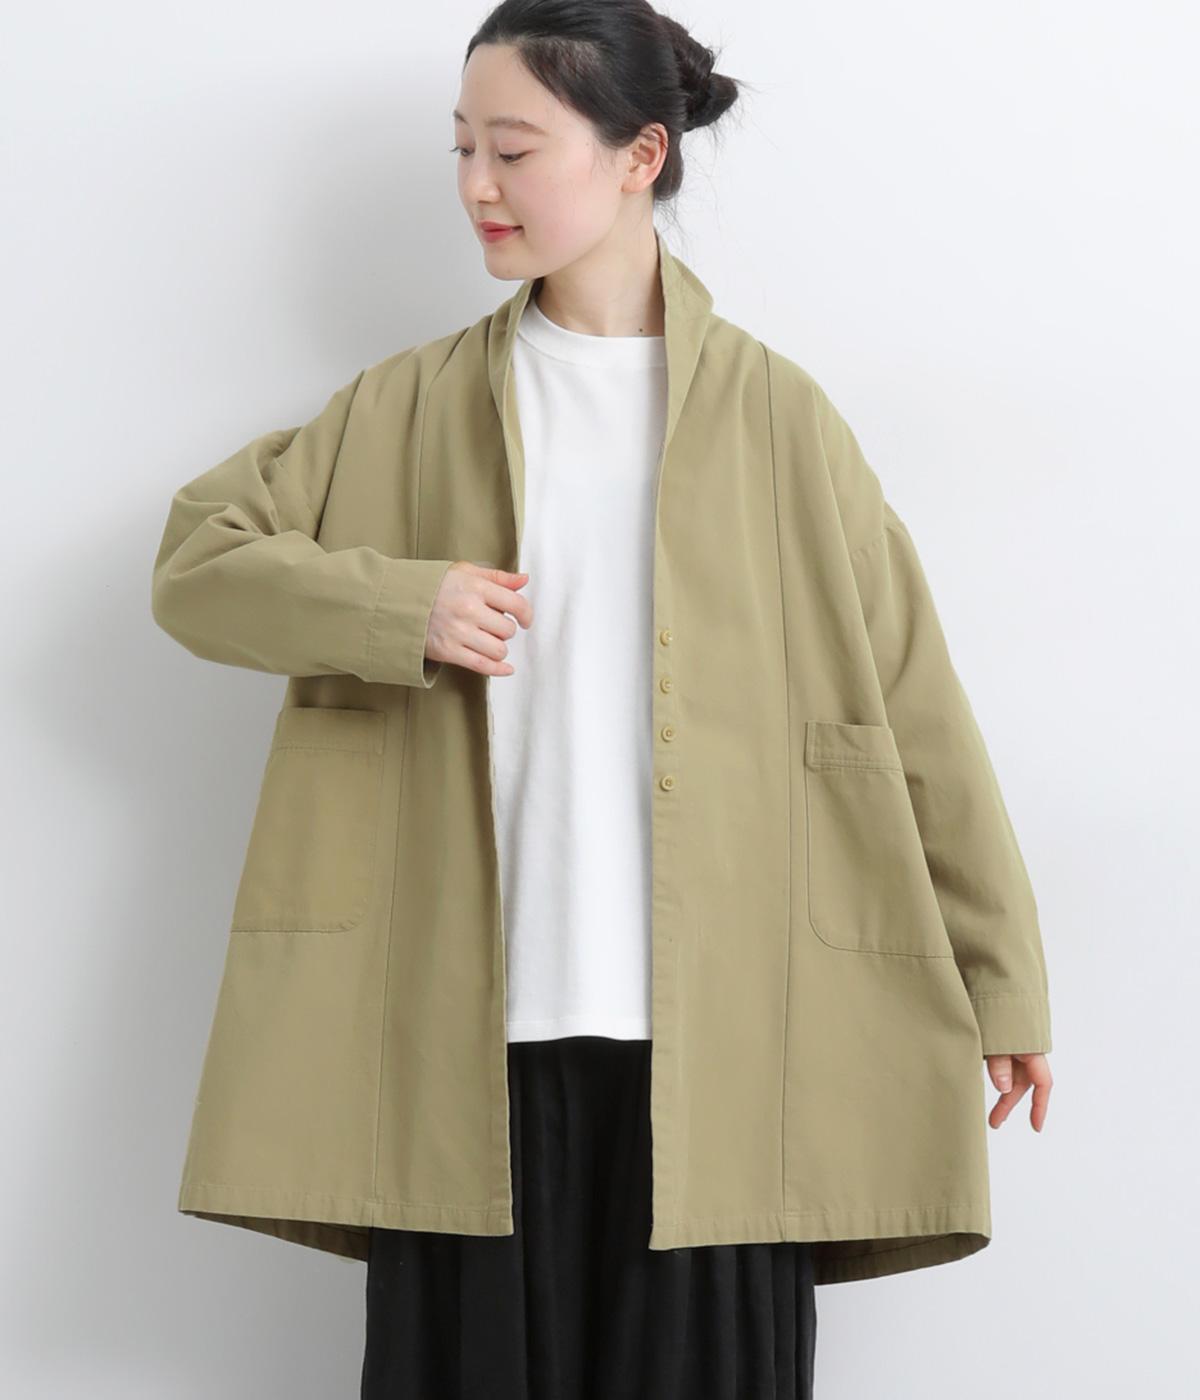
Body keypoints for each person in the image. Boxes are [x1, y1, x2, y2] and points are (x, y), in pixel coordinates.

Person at [152, 2, 1053, 1396]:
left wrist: (1003, 980)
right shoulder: (398, 409)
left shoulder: (781, 421)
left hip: (732, 1045)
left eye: (513, 149)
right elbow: (197, 568)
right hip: (462, 1045)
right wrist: (398, 606)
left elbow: (911, 706)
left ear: (641, 155)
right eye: (461, 147)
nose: (476, 185)